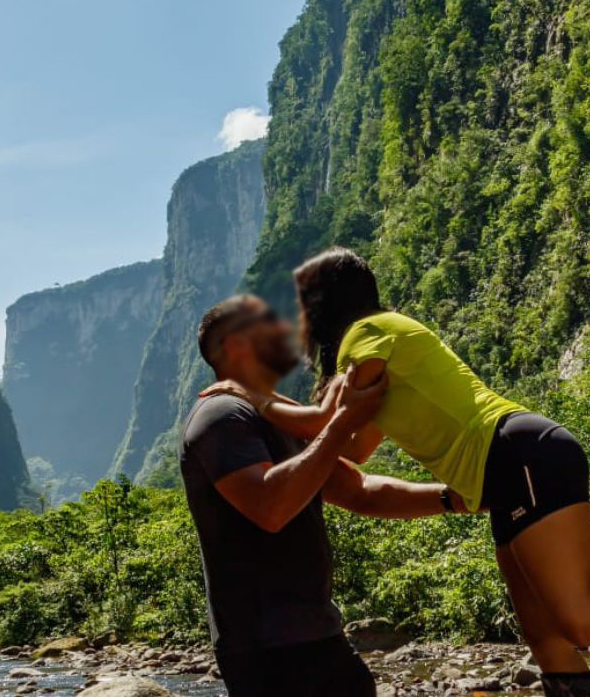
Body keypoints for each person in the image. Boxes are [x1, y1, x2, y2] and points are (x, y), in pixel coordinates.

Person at [203, 247, 590, 697]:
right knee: (546, 640)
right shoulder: (374, 354)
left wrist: (253, 395)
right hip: (502, 476)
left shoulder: (371, 331)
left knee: (584, 621)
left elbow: (329, 419)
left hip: (521, 453)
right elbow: (356, 452)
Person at [180, 294, 472, 697]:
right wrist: (342, 423)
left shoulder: (277, 417)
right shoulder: (221, 415)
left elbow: (359, 491)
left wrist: (454, 497)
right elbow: (270, 507)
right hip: (263, 645)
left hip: (313, 631)